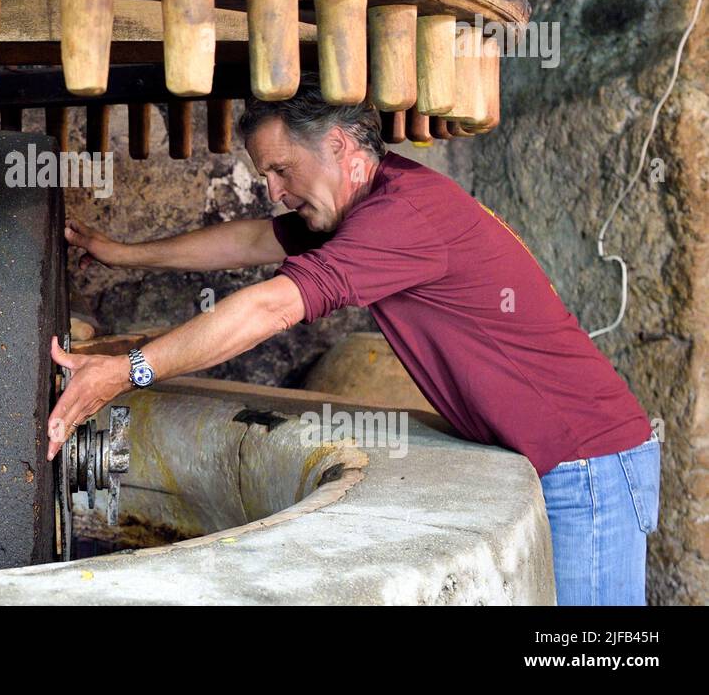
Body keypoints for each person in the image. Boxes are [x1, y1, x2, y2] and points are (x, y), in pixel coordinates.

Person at [46, 75, 660, 605]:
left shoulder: (401, 217)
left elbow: (271, 304)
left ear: (339, 145)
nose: (276, 191)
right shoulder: (365, 201)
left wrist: (128, 371)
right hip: (560, 459)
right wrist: (121, 252)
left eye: (282, 170)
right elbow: (256, 240)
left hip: (587, 465)